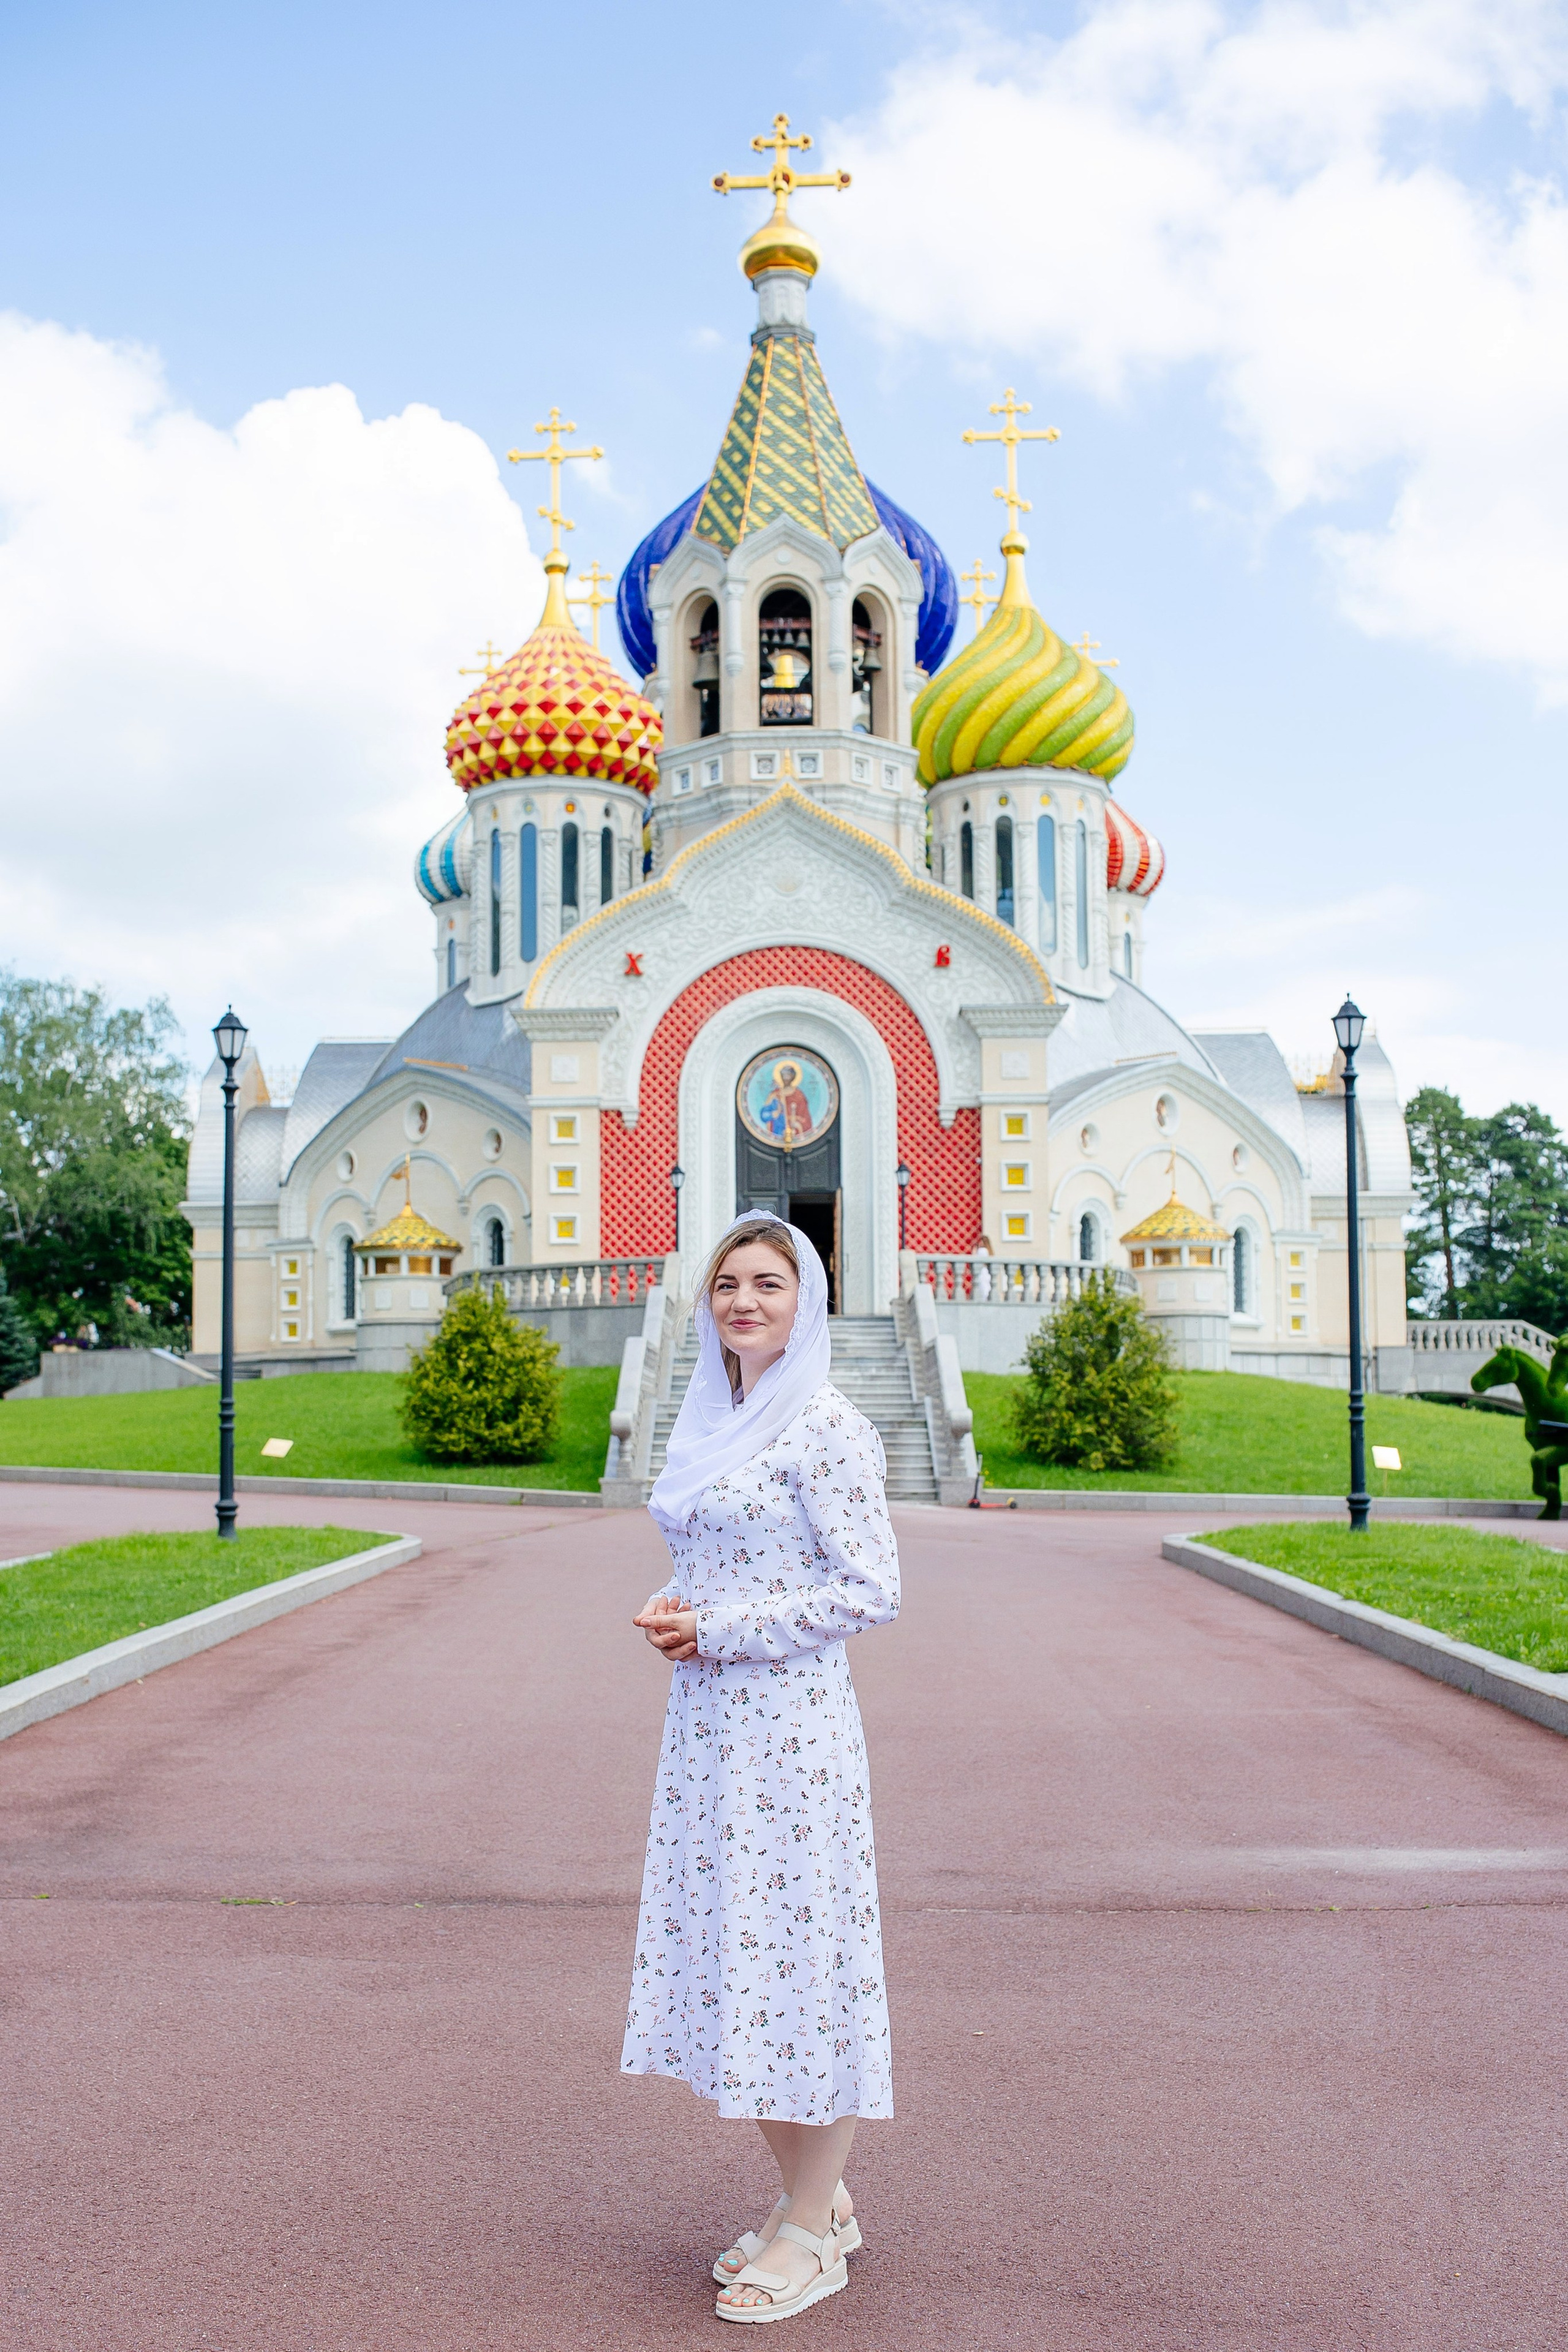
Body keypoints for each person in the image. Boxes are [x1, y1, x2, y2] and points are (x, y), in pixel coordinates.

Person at [624, 1210, 900, 2323]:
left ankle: (812, 2229)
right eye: (728, 1283)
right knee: (735, 1959)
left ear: (808, 1299)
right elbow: (719, 1561)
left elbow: (872, 1589)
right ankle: (815, 2205)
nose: (744, 1301)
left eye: (769, 1283)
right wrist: (677, 1608)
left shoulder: (828, 1426)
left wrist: (725, 1628)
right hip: (708, 1739)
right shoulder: (713, 1417)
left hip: (790, 1740)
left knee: (798, 1968)